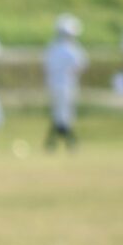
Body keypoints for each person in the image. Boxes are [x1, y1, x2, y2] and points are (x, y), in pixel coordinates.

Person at [43, 14, 88, 152]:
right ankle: (70, 142)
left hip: (53, 85)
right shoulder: (72, 49)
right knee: (64, 116)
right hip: (67, 85)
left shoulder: (52, 47)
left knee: (59, 114)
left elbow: (46, 67)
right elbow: (81, 66)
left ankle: (51, 144)